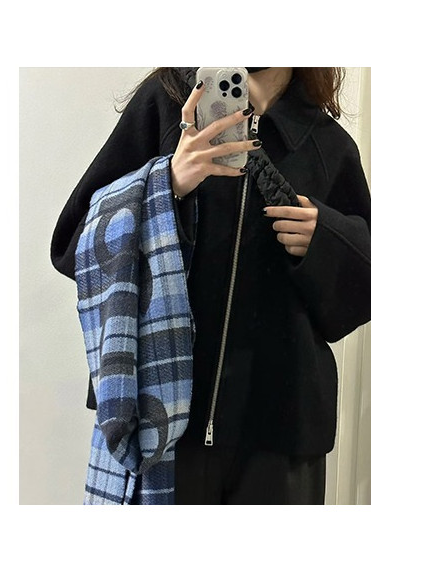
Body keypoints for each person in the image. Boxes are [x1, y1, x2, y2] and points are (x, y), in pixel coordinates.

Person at [49, 67, 371, 504]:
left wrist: (325, 239)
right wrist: (166, 184)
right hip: (161, 421)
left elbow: (361, 296)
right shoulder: (167, 104)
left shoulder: (327, 145)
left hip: (281, 436)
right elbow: (73, 245)